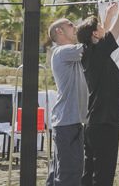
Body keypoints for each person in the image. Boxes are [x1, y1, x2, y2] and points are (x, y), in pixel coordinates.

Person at [77, 0, 119, 186]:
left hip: (93, 124)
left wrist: (106, 18)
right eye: (101, 28)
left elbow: (103, 36)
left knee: (90, 174)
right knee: (103, 176)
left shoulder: (89, 54)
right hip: (105, 123)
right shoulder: (100, 51)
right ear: (95, 34)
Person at [46, 16, 88, 186]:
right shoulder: (62, 51)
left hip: (66, 123)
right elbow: (89, 47)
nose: (75, 27)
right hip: (68, 123)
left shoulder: (69, 54)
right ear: (59, 31)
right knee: (70, 174)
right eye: (70, 25)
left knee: (58, 172)